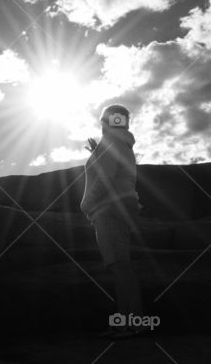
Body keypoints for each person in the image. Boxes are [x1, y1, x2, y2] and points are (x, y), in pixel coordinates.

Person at [81, 104, 143, 339]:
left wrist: (86, 204)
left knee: (120, 266)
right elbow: (112, 169)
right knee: (118, 265)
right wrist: (97, 153)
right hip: (119, 207)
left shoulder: (112, 143)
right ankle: (125, 323)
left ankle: (136, 324)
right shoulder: (120, 143)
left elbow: (106, 178)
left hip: (109, 208)